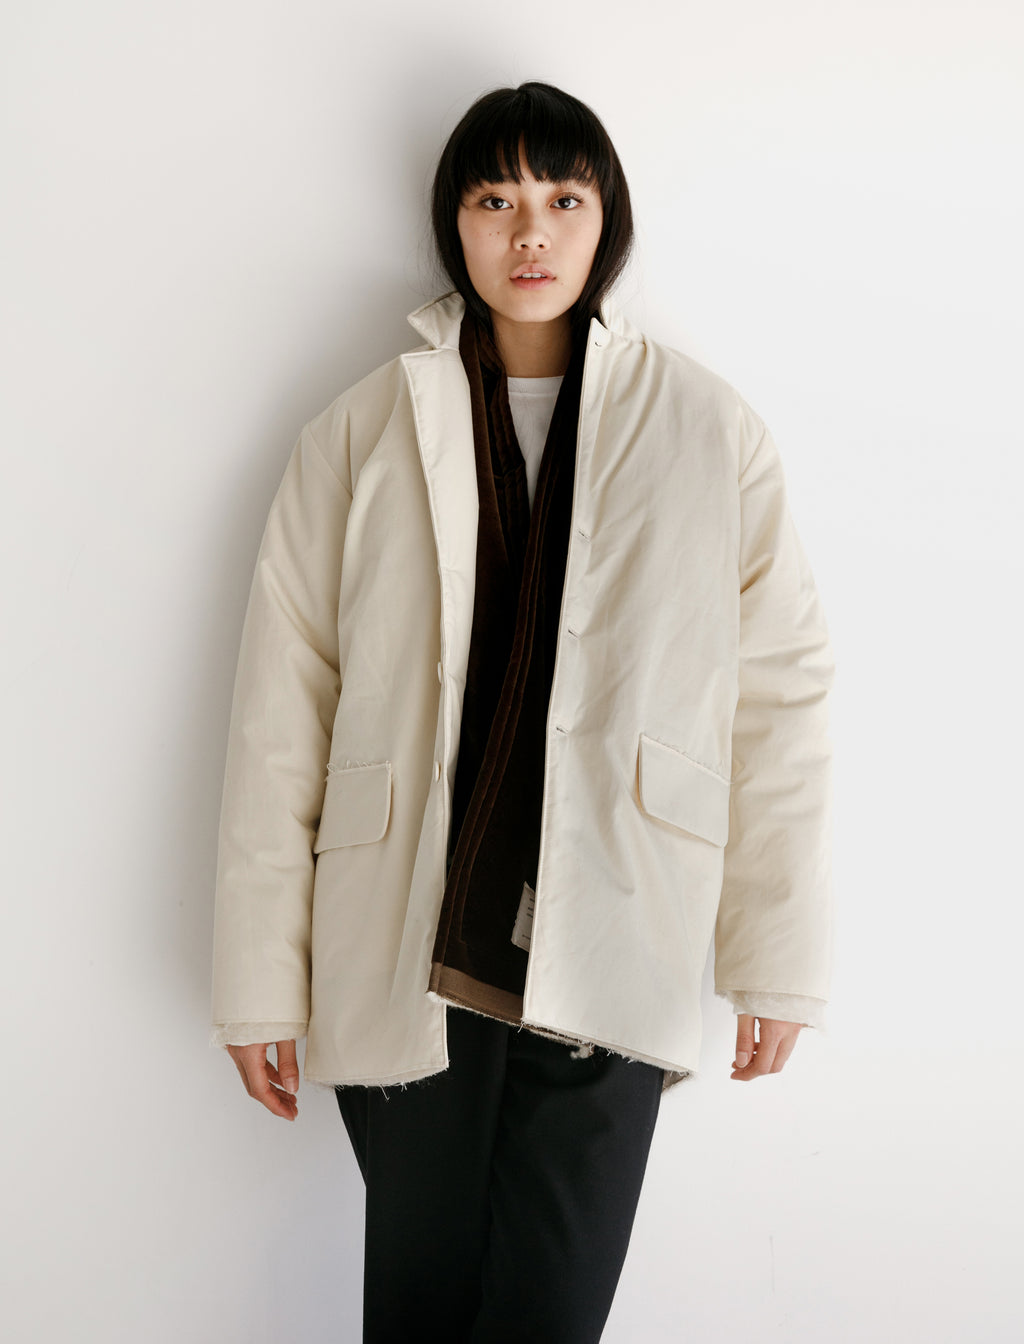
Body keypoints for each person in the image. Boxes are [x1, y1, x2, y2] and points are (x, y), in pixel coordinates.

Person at [209, 81, 835, 1341]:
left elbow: (777, 700)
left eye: (562, 198)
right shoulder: (361, 431)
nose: (530, 232)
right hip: (407, 944)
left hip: (618, 937)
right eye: (494, 200)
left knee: (549, 1311)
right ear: (455, 225)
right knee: (420, 1312)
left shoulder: (708, 433)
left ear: (609, 221)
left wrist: (773, 953)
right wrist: (259, 983)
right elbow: (284, 709)